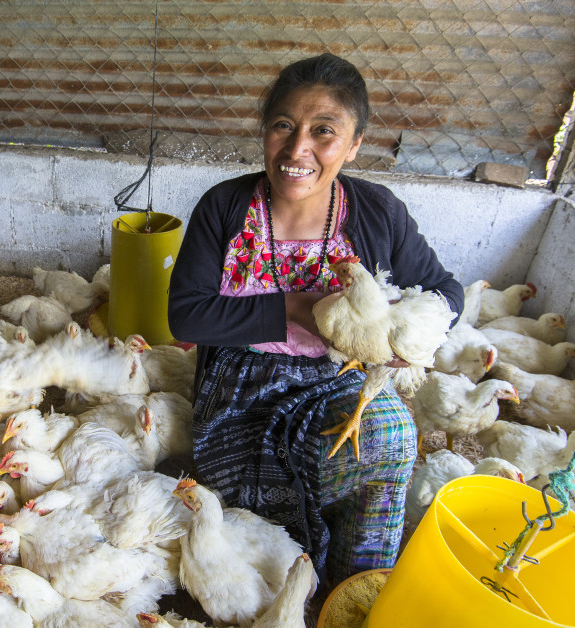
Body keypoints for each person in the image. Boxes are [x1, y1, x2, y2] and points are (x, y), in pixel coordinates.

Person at [167, 53, 463, 588]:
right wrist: (294, 308)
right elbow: (185, 318)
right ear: (265, 131)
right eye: (283, 125)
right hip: (241, 389)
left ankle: (356, 589)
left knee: (391, 434)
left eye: (323, 131)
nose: (297, 148)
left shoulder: (378, 213)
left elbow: (447, 292)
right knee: (261, 527)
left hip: (341, 379)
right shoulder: (225, 207)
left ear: (353, 145)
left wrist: (403, 335)